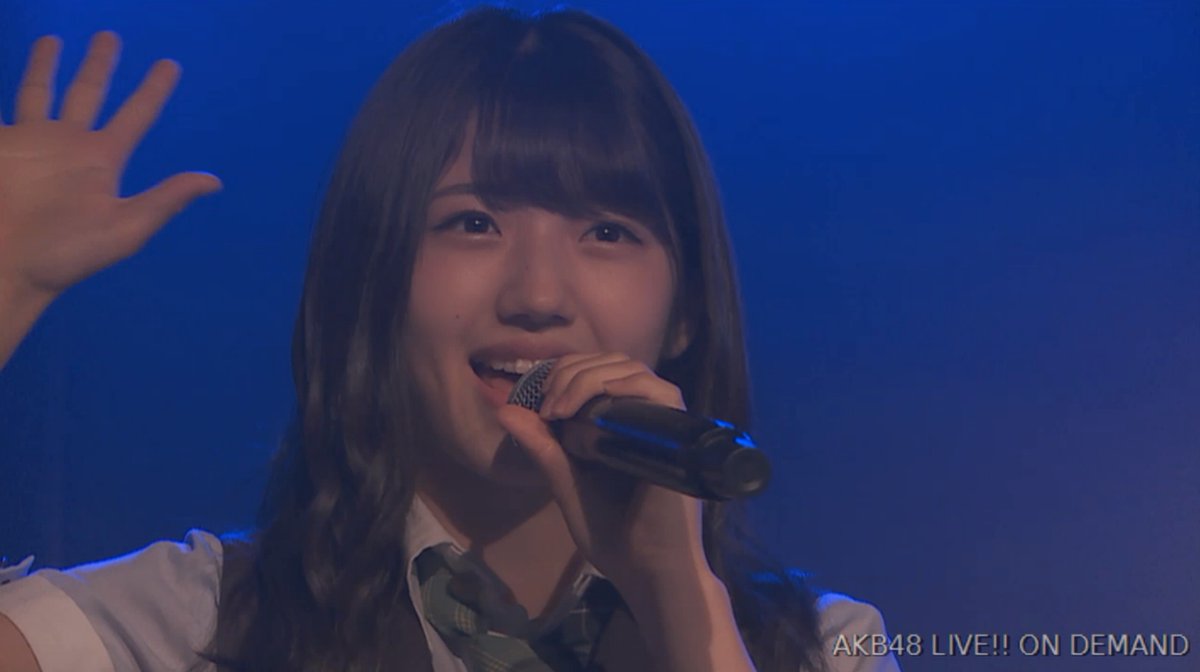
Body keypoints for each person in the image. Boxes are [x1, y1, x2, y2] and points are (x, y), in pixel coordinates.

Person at [0, 6, 902, 672]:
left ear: (687, 312)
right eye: (474, 223)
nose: (539, 296)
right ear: (374, 279)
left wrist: (678, 602)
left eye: (606, 232)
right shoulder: (198, 626)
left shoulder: (825, 648)